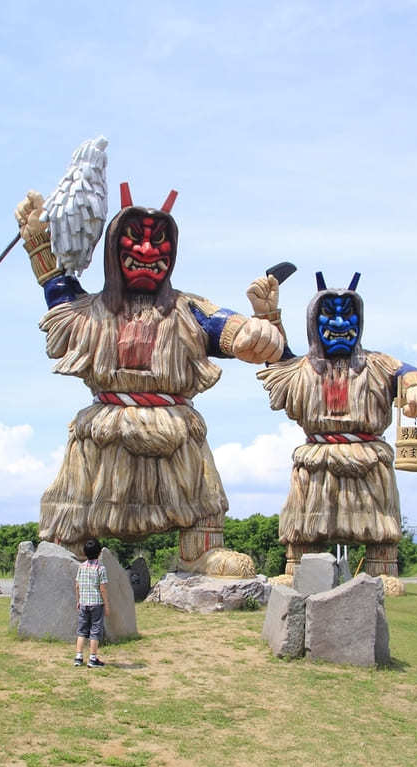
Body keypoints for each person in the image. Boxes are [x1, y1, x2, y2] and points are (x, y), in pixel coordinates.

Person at [15, 172, 283, 577]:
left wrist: (255, 329)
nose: (145, 249)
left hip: (175, 430)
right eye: (135, 238)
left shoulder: (187, 309)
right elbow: (59, 291)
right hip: (104, 429)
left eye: (159, 241)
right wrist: (38, 239)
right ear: (110, 247)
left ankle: (201, 551)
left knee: (200, 497)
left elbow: (227, 328)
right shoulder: (90, 311)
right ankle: (65, 548)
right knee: (75, 499)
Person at [247, 273, 417, 577]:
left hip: (368, 461)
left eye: (347, 314)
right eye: (328, 314)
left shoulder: (377, 365)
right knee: (303, 525)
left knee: (379, 527)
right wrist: (267, 315)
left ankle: (383, 571)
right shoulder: (301, 369)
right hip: (316, 462)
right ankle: (296, 569)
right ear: (312, 321)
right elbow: (276, 359)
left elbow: (408, 372)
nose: (339, 324)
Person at [74, 538, 109, 668]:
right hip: (97, 604)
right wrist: (107, 605)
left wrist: (78, 601)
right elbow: (103, 588)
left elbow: (77, 585)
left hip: (83, 603)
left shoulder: (81, 567)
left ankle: (78, 657)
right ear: (99, 552)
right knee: (95, 631)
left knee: (81, 630)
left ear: (85, 553)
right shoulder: (101, 568)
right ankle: (93, 659)